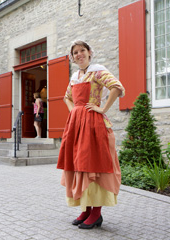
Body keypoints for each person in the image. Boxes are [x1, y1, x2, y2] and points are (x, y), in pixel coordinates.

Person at [57, 40, 125, 229]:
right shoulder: (76, 76)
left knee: (93, 164)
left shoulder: (98, 71)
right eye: (75, 52)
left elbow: (117, 87)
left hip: (94, 125)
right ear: (73, 56)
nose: (79, 54)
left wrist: (102, 108)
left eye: (82, 50)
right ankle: (86, 209)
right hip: (77, 125)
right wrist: (74, 112)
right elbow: (67, 97)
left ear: (89, 52)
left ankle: (96, 213)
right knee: (80, 164)